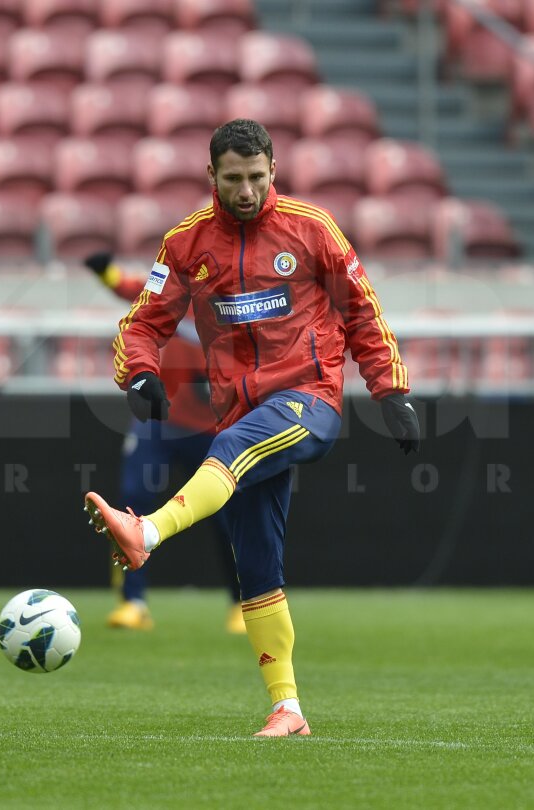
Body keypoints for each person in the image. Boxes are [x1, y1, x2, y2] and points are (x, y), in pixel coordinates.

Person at [82, 119, 420, 738]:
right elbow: (143, 322)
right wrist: (138, 373)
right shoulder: (186, 244)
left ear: (274, 170)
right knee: (258, 569)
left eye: (256, 177)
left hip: (308, 402)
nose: (245, 190)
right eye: (233, 178)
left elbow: (363, 312)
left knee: (228, 448)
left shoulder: (312, 230)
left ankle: (147, 532)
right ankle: (287, 707)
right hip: (240, 413)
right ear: (211, 175)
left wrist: (390, 390)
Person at [83, 251, 246, 634]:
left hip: (216, 428)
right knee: (131, 497)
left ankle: (243, 603)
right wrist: (106, 271)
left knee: (228, 517)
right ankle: (133, 603)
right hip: (162, 420)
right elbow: (132, 290)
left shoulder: (243, 305)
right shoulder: (175, 291)